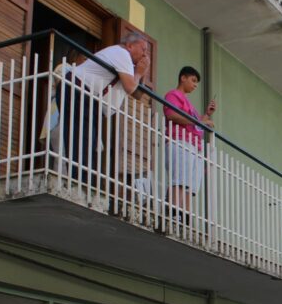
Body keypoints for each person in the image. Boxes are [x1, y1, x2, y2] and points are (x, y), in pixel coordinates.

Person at [58, 32, 151, 181]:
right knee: (81, 139)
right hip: (80, 91)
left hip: (89, 99)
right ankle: (79, 182)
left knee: (89, 142)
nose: (145, 55)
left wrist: (142, 73)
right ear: (130, 45)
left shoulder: (126, 63)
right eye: (143, 49)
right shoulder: (122, 53)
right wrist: (139, 73)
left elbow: (138, 95)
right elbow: (129, 87)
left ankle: (85, 182)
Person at [163, 66, 216, 218]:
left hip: (193, 146)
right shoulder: (173, 94)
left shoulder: (189, 104)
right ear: (183, 78)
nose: (195, 85)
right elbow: (172, 114)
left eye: (197, 83)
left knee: (189, 185)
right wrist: (200, 120)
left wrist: (206, 115)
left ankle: (185, 216)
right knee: (179, 179)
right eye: (193, 80)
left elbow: (196, 124)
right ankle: (173, 211)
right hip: (180, 141)